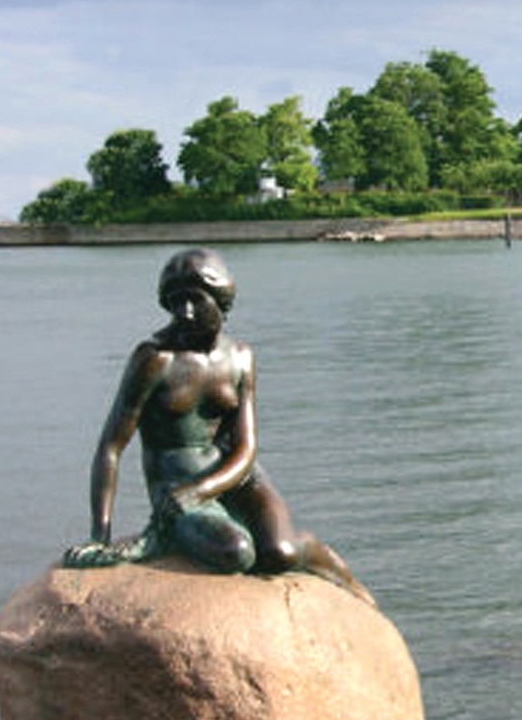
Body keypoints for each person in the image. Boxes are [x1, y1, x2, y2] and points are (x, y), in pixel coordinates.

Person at [64, 248, 369, 601]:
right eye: (175, 302)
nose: (184, 312)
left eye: (195, 300)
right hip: (178, 484)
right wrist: (99, 534)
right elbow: (111, 448)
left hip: (237, 474)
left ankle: (320, 557)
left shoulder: (240, 356)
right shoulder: (154, 360)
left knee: (280, 553)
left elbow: (246, 447)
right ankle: (170, 534)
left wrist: (206, 489)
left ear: (222, 300)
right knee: (236, 552)